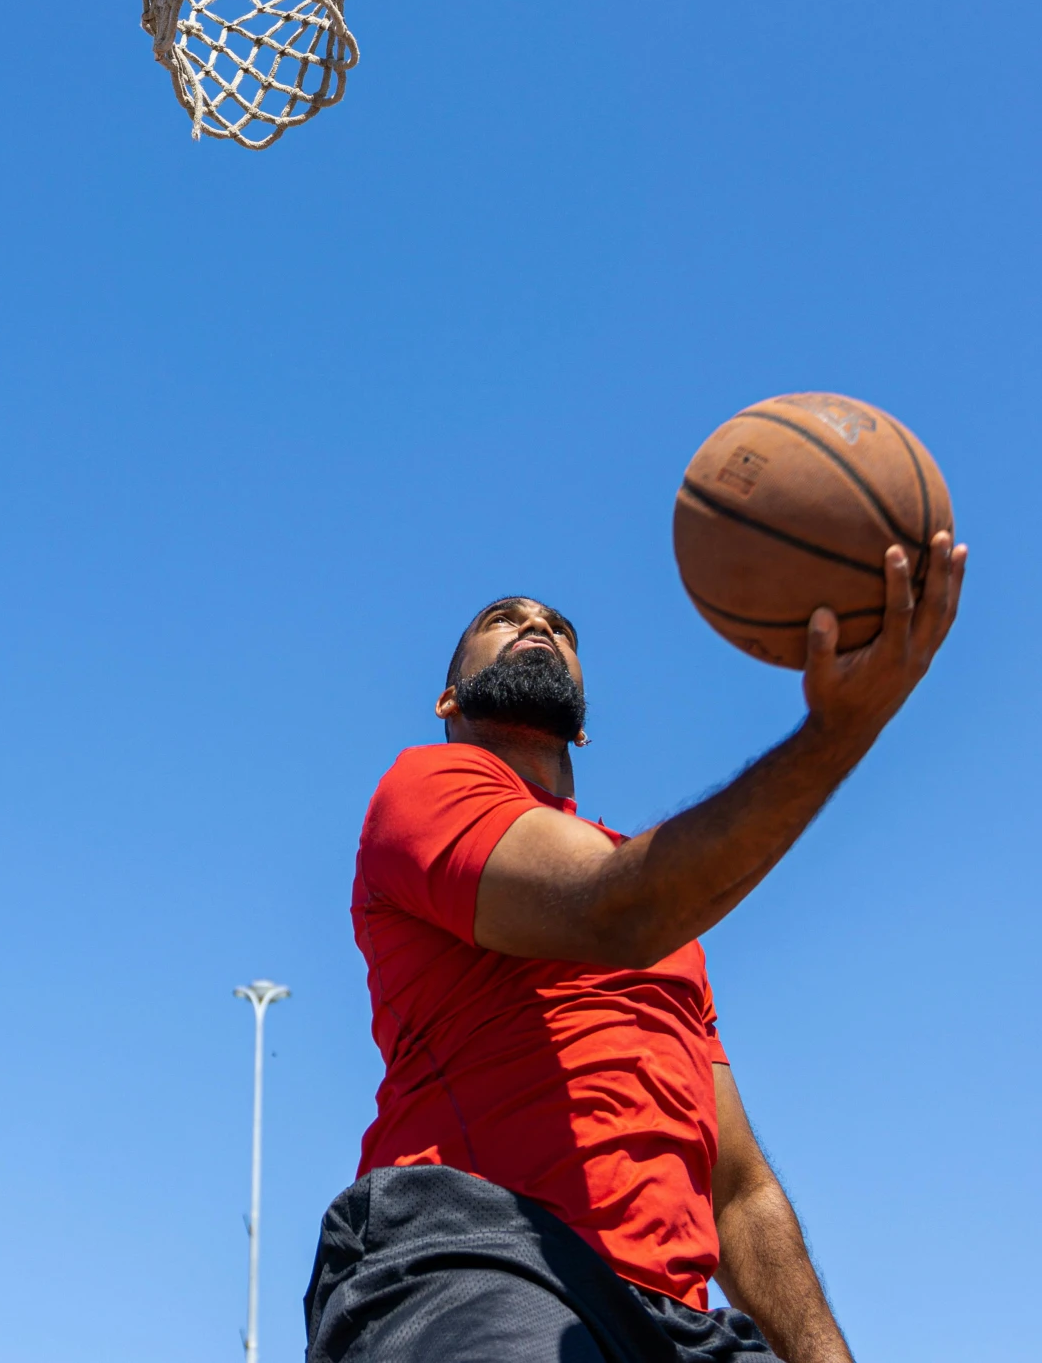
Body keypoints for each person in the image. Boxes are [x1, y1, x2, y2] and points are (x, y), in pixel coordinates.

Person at [305, 536, 965, 1363]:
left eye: (558, 626)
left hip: (671, 1321)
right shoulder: (426, 791)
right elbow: (614, 907)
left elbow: (739, 1194)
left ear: (585, 725)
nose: (535, 623)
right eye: (502, 619)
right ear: (446, 699)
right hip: (473, 1248)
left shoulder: (674, 921)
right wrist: (838, 732)